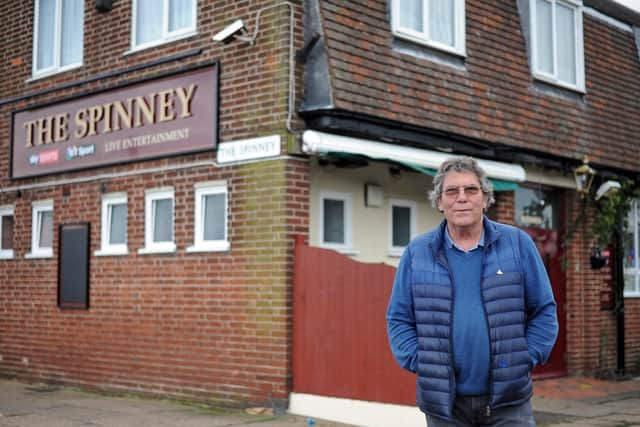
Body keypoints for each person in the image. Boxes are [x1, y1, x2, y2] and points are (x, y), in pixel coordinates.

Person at [386, 156, 558, 426]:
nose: (461, 198)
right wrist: (421, 361)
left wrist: (526, 357)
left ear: (485, 198)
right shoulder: (417, 252)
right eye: (452, 191)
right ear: (440, 202)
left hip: (509, 402)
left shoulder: (517, 244)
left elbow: (544, 310)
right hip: (445, 406)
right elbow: (398, 318)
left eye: (471, 190)